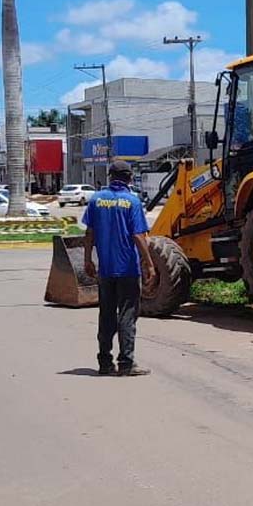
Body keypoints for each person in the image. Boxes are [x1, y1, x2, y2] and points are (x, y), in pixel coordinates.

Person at [82, 160, 155, 376]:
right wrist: (149, 263)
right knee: (127, 316)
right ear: (129, 178)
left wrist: (88, 260)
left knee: (106, 315)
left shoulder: (96, 200)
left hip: (106, 270)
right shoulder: (132, 202)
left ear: (110, 177)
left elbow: (89, 234)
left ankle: (105, 363)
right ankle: (126, 363)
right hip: (128, 271)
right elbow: (138, 235)